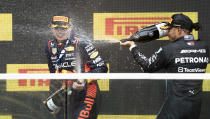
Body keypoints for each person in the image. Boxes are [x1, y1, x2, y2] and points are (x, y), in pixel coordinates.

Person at [120, 13, 209, 119]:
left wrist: (132, 46)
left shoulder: (169, 49)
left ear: (179, 30)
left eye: (170, 29)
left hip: (173, 111)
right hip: (194, 110)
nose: (167, 32)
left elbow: (148, 66)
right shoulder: (204, 47)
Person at [45, 15, 108, 119]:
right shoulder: (49, 45)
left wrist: (83, 79)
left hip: (87, 91)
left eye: (63, 28)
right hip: (66, 94)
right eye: (56, 28)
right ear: (51, 28)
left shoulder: (81, 42)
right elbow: (54, 74)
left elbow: (102, 68)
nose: (60, 32)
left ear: (70, 27)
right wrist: (53, 98)